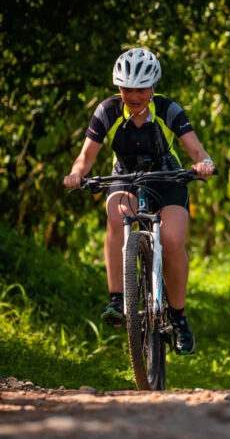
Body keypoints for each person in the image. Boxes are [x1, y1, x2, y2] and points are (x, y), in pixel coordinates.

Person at [63, 47, 215, 355]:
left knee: (172, 240)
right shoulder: (107, 111)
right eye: (127, 89)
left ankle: (178, 316)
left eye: (141, 89)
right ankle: (117, 299)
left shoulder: (169, 110)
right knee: (117, 215)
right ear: (118, 88)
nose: (134, 96)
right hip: (125, 177)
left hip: (167, 179)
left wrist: (204, 163)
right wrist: (75, 175)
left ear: (154, 86)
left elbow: (196, 151)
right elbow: (86, 157)